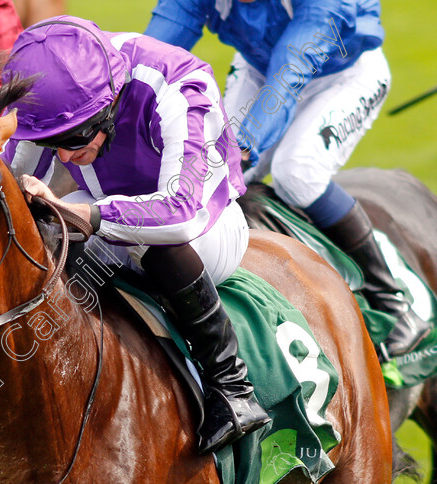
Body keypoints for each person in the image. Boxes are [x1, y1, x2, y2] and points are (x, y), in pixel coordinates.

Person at [1, 15, 270, 454]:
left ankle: (231, 386)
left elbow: (181, 213)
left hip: (205, 232)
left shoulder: (179, 85)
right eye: (55, 141)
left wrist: (87, 213)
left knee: (146, 237)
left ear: (110, 100)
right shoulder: (50, 100)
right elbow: (8, 185)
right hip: (113, 219)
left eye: (79, 135)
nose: (67, 152)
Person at [144, 0, 430, 361]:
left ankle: (394, 299)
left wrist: (241, 148)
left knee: (297, 172)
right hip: (258, 68)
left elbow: (289, 73)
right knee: (207, 180)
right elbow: (152, 53)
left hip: (342, 75)